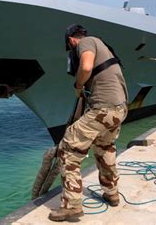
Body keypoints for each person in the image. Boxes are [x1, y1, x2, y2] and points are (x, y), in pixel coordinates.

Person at [48, 24, 128, 222]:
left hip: (103, 109)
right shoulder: (103, 46)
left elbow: (85, 67)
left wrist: (78, 84)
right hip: (119, 109)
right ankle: (112, 194)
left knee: (67, 151)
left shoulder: (85, 42)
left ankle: (72, 207)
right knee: (105, 148)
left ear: (70, 40)